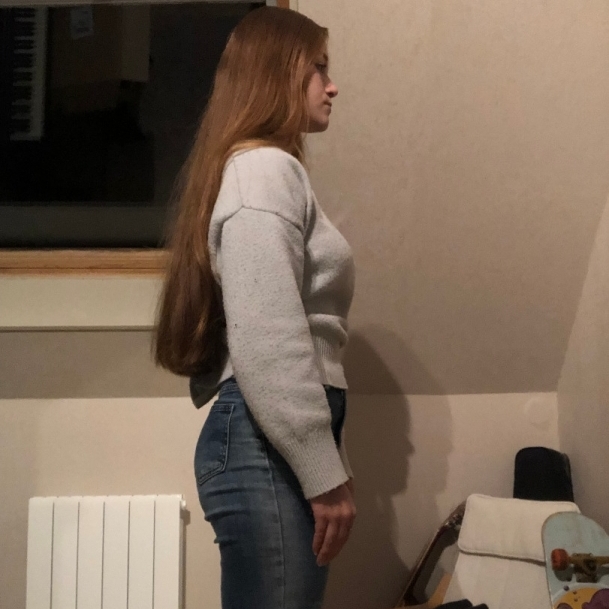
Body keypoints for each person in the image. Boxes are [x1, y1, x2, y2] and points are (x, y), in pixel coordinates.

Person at [154, 7, 356, 609]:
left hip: (266, 443)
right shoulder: (264, 170)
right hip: (264, 447)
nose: (332, 86)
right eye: (319, 68)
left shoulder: (259, 170)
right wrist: (323, 471)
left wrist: (327, 462)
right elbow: (269, 337)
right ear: (278, 74)